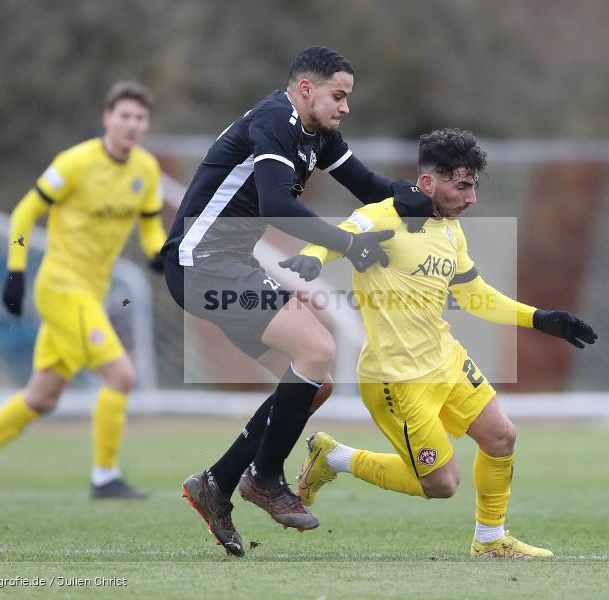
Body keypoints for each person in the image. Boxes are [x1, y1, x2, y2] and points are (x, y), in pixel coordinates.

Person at [162, 46, 433, 557]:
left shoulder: (317, 135)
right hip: (202, 264)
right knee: (317, 349)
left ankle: (216, 483)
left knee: (315, 383)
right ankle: (264, 477)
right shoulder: (275, 121)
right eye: (339, 95)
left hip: (224, 266)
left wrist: (413, 198)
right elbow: (276, 205)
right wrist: (348, 244)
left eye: (348, 97)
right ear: (306, 89)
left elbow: (368, 186)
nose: (345, 107)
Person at [288, 128, 598, 558]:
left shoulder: (451, 231)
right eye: (462, 186)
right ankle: (334, 456)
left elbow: (475, 297)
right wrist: (312, 257)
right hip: (397, 379)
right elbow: (334, 236)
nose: (471, 198)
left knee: (501, 437)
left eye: (473, 186)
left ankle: (490, 541)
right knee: (442, 485)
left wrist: (540, 319)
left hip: (445, 360)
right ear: (430, 182)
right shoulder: (383, 217)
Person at [0, 81, 168, 501]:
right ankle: (105, 477)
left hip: (91, 293)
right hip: (61, 286)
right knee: (121, 375)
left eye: (140, 118)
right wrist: (15, 270)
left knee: (42, 396)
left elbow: (151, 226)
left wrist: (160, 255)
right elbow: (24, 213)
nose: (132, 124)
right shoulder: (75, 162)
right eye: (124, 116)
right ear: (107, 118)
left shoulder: (146, 169)